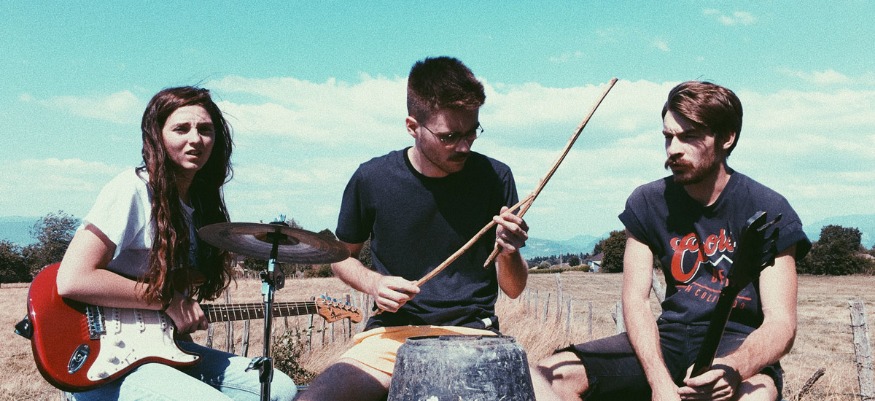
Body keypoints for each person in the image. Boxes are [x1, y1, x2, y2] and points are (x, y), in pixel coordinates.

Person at [533, 81, 811, 401]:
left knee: (756, 396)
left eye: (689, 136)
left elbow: (781, 323)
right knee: (544, 378)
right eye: (668, 137)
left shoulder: (768, 209)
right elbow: (636, 301)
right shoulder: (648, 202)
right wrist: (659, 382)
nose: (673, 149)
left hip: (737, 341)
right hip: (669, 340)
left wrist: (734, 368)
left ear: (727, 138)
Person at [296, 56, 530, 401]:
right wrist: (375, 283)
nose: (465, 146)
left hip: (475, 337)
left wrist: (509, 253)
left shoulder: (496, 177)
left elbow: (513, 288)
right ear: (412, 126)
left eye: (472, 131)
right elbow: (340, 258)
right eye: (450, 136)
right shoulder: (372, 178)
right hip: (389, 337)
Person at [55, 86, 298, 400]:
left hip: (159, 351)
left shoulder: (200, 205)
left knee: (280, 390)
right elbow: (73, 278)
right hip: (106, 361)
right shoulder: (133, 189)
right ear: (157, 136)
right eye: (181, 129)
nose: (195, 139)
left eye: (205, 130)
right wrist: (168, 300)